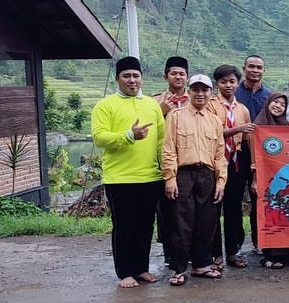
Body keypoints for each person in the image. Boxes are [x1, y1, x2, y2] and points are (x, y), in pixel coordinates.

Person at [91, 56, 164, 289]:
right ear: (117, 79)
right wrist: (129, 135)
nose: (132, 80)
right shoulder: (105, 105)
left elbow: (161, 140)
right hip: (120, 178)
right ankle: (125, 272)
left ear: (141, 78)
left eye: (136, 76)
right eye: (127, 76)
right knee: (124, 225)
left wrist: (165, 169)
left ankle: (142, 268)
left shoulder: (152, 104)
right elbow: (99, 137)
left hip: (151, 176)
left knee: (145, 224)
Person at [162, 74, 227, 286]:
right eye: (196, 90)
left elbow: (219, 154)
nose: (200, 94)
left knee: (207, 222)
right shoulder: (176, 116)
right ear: (189, 92)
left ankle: (201, 265)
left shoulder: (215, 120)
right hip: (183, 174)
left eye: (205, 90)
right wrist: (170, 178)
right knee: (182, 223)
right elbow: (169, 149)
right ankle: (179, 268)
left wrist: (221, 181)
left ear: (211, 93)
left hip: (207, 175)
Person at [211, 64, 254, 270]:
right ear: (217, 84)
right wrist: (236, 129)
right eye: (223, 81)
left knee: (233, 209)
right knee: (212, 210)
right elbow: (211, 133)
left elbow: (248, 139)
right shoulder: (211, 106)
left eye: (231, 81)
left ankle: (232, 252)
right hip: (215, 163)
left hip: (236, 164)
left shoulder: (242, 110)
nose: (228, 85)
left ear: (237, 83)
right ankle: (214, 255)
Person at [152, 55, 189, 267]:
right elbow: (147, 132)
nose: (178, 77)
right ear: (166, 76)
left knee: (188, 209)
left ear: (187, 77)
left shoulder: (196, 99)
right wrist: (162, 113)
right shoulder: (154, 101)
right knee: (166, 210)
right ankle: (169, 251)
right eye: (173, 73)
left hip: (189, 161)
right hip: (164, 162)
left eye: (181, 73)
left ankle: (188, 250)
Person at [251, 92, 289, 270]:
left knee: (283, 213)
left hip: (283, 179)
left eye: (282, 104)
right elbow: (254, 159)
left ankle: (285, 251)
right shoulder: (258, 127)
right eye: (275, 102)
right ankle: (269, 255)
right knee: (268, 213)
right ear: (268, 102)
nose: (278, 106)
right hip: (264, 179)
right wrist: (254, 180)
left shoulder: (286, 125)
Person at [234, 55, 269, 254]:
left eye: (259, 67)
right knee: (235, 198)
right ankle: (236, 244)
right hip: (238, 153)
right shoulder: (234, 92)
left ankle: (260, 242)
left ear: (264, 70)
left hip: (263, 156)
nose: (255, 70)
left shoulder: (269, 95)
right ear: (244, 68)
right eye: (251, 66)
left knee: (259, 199)